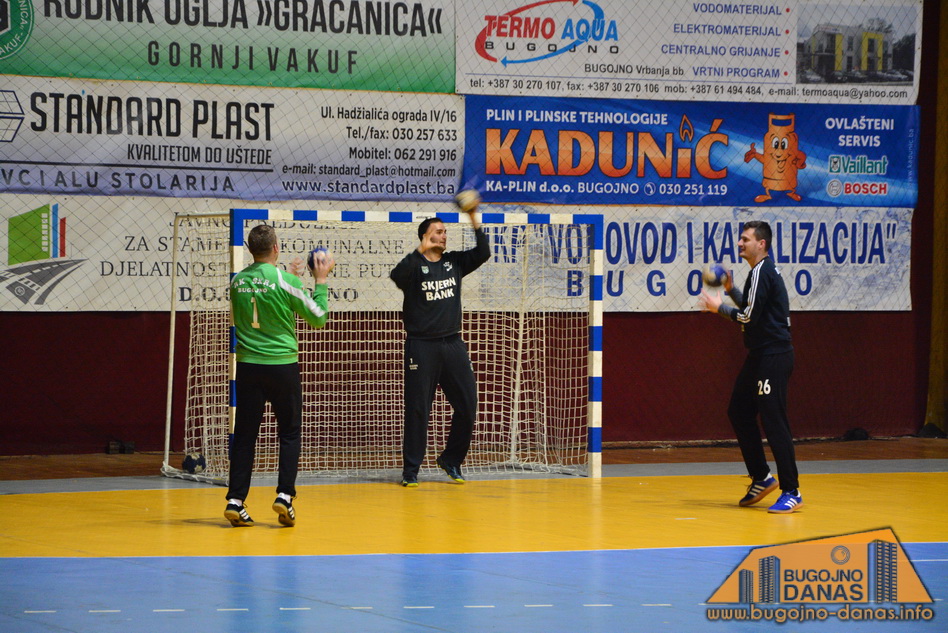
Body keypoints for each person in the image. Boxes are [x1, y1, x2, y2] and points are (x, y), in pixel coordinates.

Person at [224, 225, 334, 527]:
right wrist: (320, 280)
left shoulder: (237, 282)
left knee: (245, 436)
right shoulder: (286, 282)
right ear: (276, 248)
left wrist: (287, 278)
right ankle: (284, 496)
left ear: (251, 250)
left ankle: (235, 501)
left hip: (248, 367)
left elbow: (262, 292)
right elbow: (318, 317)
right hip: (282, 367)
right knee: (289, 433)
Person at [697, 220, 802, 514]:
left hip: (774, 356)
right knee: (739, 411)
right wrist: (731, 289)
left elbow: (747, 318)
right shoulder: (758, 273)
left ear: (761, 244)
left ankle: (792, 491)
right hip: (759, 355)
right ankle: (761, 477)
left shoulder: (761, 271)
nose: (740, 243)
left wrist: (719, 308)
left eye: (745, 239)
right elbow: (751, 308)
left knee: (774, 421)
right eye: (740, 239)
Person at [390, 205, 490, 487]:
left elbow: (483, 252)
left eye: (445, 231)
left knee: (468, 405)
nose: (444, 235)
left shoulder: (455, 262)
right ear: (425, 236)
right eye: (438, 231)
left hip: (453, 344)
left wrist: (473, 217)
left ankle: (451, 459)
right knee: (418, 409)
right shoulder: (414, 265)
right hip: (422, 347)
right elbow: (397, 276)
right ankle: (411, 471)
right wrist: (420, 250)